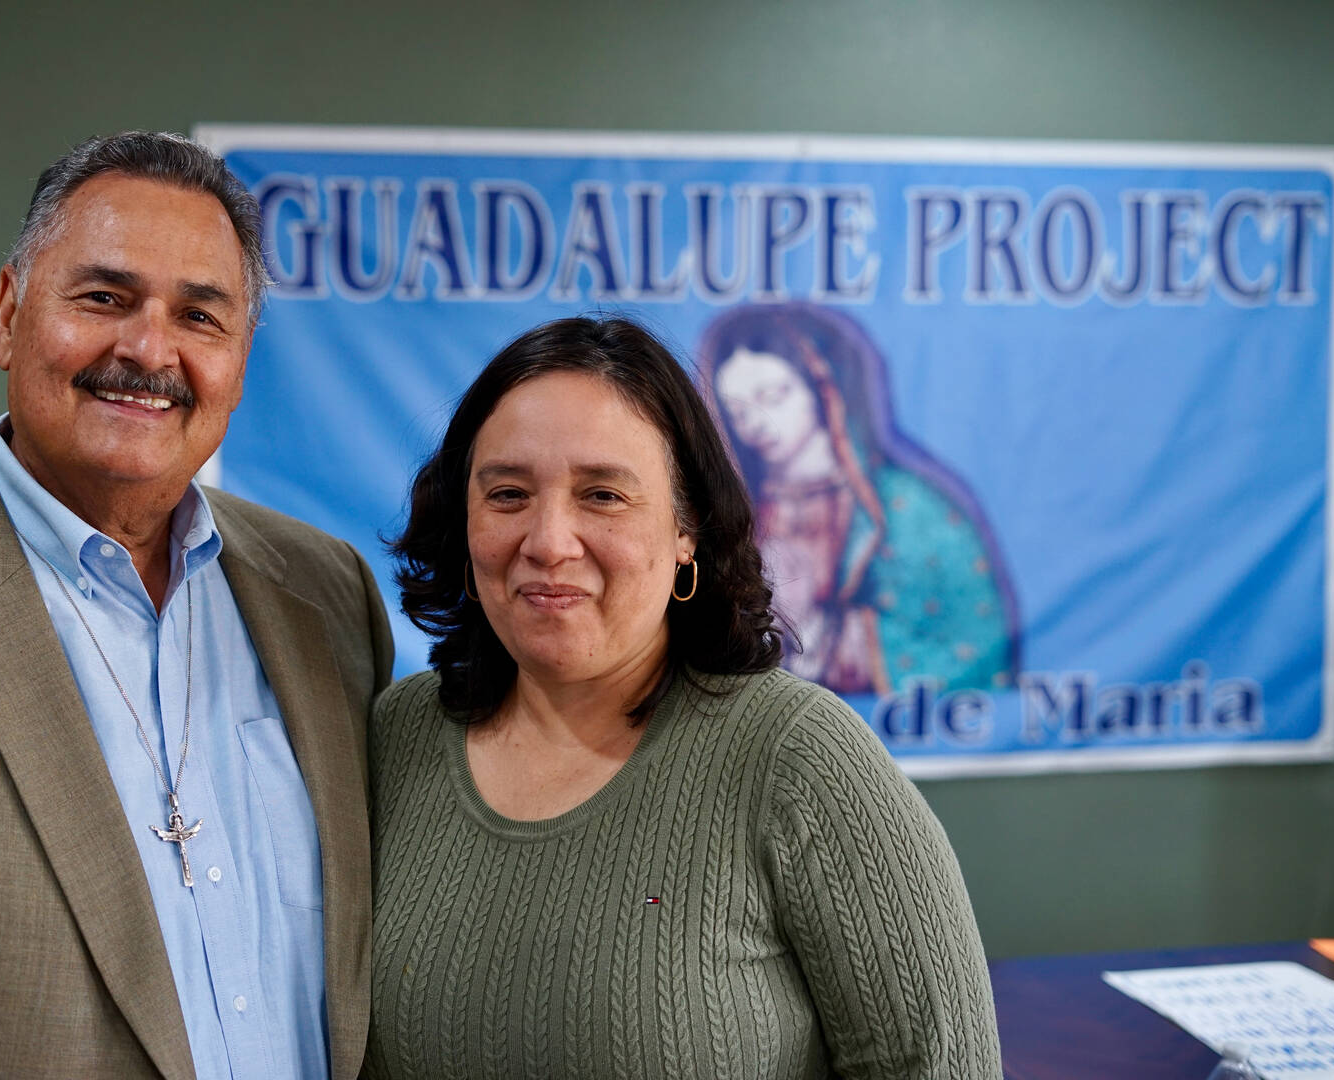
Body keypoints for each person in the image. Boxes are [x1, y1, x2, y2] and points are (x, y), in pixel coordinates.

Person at [0, 132, 392, 1079]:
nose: (149, 349)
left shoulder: (328, 596)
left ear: (240, 359)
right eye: (105, 298)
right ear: (8, 314)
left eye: (201, 316)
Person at [365, 316, 1000, 1079]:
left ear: (686, 531)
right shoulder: (393, 738)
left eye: (602, 494)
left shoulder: (801, 758)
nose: (548, 540)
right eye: (507, 493)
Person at [698, 303, 1019, 697]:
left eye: (773, 395)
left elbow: (977, 642)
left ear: (824, 388)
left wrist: (845, 636)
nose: (757, 423)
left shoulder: (909, 508)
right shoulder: (728, 511)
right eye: (738, 411)